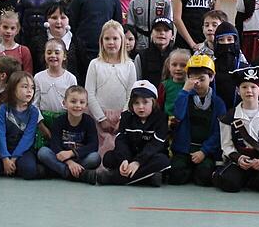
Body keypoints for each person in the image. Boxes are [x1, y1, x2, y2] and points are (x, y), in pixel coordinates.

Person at [213, 66, 259, 193]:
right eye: (244, 87)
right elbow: (226, 145)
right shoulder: (229, 117)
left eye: (253, 87)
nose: (249, 91)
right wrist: (238, 158)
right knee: (229, 184)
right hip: (240, 160)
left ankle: (250, 179)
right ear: (238, 91)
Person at [98, 80, 170, 186]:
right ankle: (148, 179)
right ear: (131, 104)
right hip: (130, 156)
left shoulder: (161, 118)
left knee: (163, 161)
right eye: (136, 103)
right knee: (108, 158)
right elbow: (121, 141)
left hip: (148, 158)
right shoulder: (126, 117)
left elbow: (155, 145)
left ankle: (114, 178)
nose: (141, 107)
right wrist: (124, 160)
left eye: (145, 102)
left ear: (153, 102)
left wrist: (137, 162)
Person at [168, 54, 225, 186]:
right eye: (193, 78)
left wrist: (204, 151)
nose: (197, 83)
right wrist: (184, 91)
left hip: (205, 150)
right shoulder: (185, 97)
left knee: (204, 177)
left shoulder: (218, 103)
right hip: (184, 148)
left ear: (211, 78)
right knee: (176, 175)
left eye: (202, 78)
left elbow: (219, 132)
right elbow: (178, 116)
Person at [86, 21, 137, 156]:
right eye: (107, 38)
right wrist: (101, 119)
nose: (111, 42)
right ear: (101, 41)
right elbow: (89, 94)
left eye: (115, 38)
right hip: (98, 117)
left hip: (121, 119)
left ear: (122, 40)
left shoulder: (129, 65)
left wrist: (122, 119)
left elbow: (131, 95)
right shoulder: (95, 64)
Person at [0, 71, 40, 180]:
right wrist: (5, 158)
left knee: (29, 171)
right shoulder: (4, 109)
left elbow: (28, 137)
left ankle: (13, 167)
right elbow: (0, 134)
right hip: (5, 148)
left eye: (32, 87)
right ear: (13, 89)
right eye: (25, 87)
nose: (30, 90)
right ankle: (7, 167)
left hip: (23, 150)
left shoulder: (33, 112)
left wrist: (14, 158)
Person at [38, 85, 100, 183]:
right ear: (64, 103)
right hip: (61, 158)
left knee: (95, 157)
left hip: (79, 158)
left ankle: (61, 172)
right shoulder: (59, 121)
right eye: (73, 101)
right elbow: (54, 144)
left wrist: (72, 153)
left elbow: (93, 145)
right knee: (43, 152)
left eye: (82, 102)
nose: (78, 105)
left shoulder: (89, 121)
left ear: (86, 105)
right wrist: (69, 162)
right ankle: (75, 174)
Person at [34, 38, 78, 147]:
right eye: (49, 52)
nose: (52, 55)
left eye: (57, 52)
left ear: (64, 56)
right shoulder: (38, 77)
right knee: (43, 153)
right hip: (44, 123)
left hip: (65, 123)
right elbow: (34, 104)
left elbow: (74, 103)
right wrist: (41, 125)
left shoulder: (71, 78)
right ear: (44, 55)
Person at [17, 0, 60, 72]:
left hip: (47, 45)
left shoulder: (54, 0)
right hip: (26, 43)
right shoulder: (23, 0)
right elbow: (17, 25)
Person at [213, 22, 250, 109]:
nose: (226, 43)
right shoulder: (210, 66)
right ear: (216, 42)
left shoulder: (244, 67)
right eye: (221, 40)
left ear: (235, 41)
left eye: (229, 39)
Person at [0, 9, 33, 75]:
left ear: (17, 30)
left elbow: (28, 76)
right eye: (5, 27)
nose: (8, 31)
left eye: (12, 28)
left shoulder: (23, 51)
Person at [134, 17, 175, 89]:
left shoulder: (177, 57)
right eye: (157, 30)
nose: (162, 33)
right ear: (151, 34)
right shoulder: (141, 57)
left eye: (166, 30)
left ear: (172, 36)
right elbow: (136, 84)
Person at [155, 48, 191, 117]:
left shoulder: (192, 85)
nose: (178, 68)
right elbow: (159, 106)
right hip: (167, 121)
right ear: (169, 66)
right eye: (174, 65)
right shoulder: (164, 85)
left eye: (183, 65)